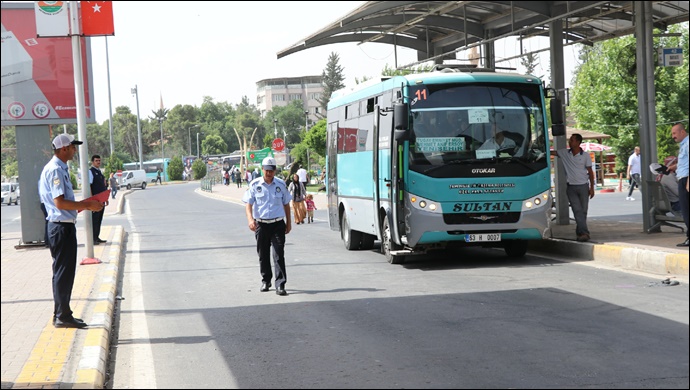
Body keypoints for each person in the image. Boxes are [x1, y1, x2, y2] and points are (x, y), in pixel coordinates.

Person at [39, 133, 103, 328]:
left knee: (63, 273)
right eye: (73, 147)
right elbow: (59, 203)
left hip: (62, 226)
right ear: (64, 148)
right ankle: (62, 316)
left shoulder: (60, 168)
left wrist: (87, 205)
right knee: (63, 273)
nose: (75, 150)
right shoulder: (55, 170)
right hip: (60, 228)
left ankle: (61, 312)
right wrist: (87, 204)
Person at [242, 157, 292, 296]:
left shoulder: (281, 185)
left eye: (271, 170)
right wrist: (250, 219)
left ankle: (280, 284)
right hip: (261, 224)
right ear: (262, 169)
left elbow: (286, 204)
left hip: (277, 224)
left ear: (275, 170)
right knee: (263, 255)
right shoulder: (255, 184)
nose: (269, 173)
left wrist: (289, 222)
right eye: (266, 170)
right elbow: (248, 204)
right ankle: (266, 280)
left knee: (278, 254)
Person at [551, 133, 595, 242]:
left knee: (583, 211)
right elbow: (553, 153)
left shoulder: (585, 156)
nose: (570, 142)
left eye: (572, 140)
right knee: (577, 210)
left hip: (584, 186)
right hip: (571, 187)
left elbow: (590, 172)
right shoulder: (565, 153)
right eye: (570, 140)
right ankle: (585, 233)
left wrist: (592, 187)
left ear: (578, 142)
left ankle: (580, 232)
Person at [667, 123, 688, 247]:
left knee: (686, 210)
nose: (672, 136)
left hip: (686, 179)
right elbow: (685, 162)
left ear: (682, 132)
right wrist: (672, 167)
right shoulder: (684, 144)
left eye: (674, 133)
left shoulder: (688, 143)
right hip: (683, 177)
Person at [88, 154, 109, 244]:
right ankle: (93, 238)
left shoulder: (99, 172)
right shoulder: (91, 172)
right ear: (92, 162)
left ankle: (97, 237)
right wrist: (92, 199)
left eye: (99, 161)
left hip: (101, 200)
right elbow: (89, 186)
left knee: (99, 219)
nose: (98, 162)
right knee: (95, 220)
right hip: (95, 200)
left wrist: (106, 198)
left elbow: (103, 186)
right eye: (96, 161)